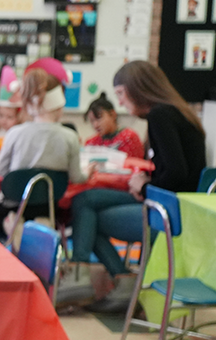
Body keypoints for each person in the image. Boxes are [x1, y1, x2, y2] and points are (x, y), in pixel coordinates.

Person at [70, 61, 206, 313]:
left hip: (168, 213)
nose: (120, 102)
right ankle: (118, 281)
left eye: (121, 93)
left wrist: (144, 186)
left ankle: (92, 280)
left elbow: (176, 173)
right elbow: (176, 169)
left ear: (138, 88)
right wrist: (145, 180)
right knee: (84, 203)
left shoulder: (160, 116)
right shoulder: (177, 112)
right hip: (179, 207)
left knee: (87, 216)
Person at [0, 67, 83, 238]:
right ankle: (41, 228)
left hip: (14, 205)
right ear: (60, 105)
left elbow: (0, 171)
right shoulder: (70, 137)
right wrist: (89, 172)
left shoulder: (15, 133)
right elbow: (77, 177)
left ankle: (16, 225)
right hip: (49, 207)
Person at [83, 92, 145, 159]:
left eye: (99, 118)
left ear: (112, 114)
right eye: (92, 121)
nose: (95, 125)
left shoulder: (128, 138)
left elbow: (134, 165)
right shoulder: (91, 142)